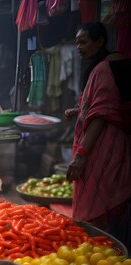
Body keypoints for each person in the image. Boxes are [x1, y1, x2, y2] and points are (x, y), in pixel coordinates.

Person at [66, 22, 131, 248]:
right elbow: (104, 105)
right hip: (117, 148)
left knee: (101, 201)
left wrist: (81, 155)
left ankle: (105, 250)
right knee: (113, 198)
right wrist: (80, 110)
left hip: (104, 149)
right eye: (77, 43)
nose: (79, 47)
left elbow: (101, 114)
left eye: (84, 42)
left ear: (100, 41)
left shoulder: (104, 69)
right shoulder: (113, 63)